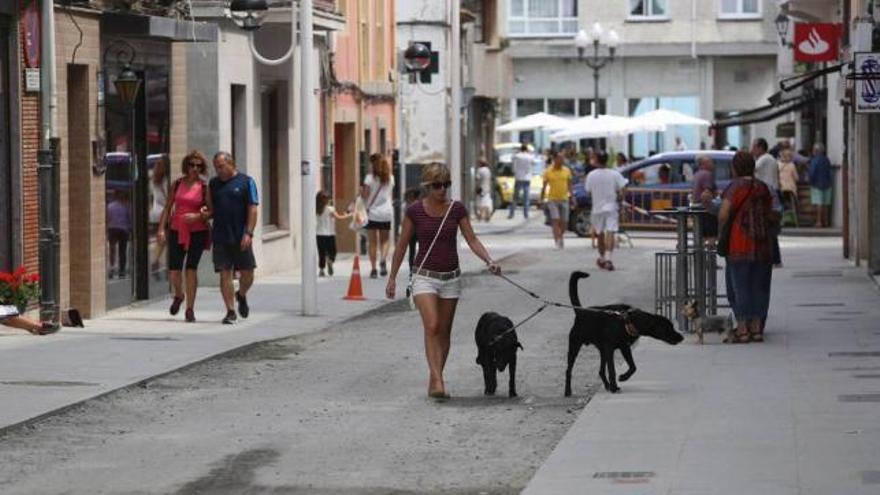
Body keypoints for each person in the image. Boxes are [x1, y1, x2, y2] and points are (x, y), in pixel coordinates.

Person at [385, 163, 501, 400]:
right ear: (427, 187)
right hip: (424, 277)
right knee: (433, 326)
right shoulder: (414, 211)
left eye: (446, 184)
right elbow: (402, 245)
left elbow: (472, 239)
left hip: (450, 278)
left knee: (444, 333)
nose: (442, 190)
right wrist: (392, 278)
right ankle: (438, 380)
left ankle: (434, 377)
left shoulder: (456, 210)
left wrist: (489, 260)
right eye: (437, 185)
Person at [719, 151, 777, 344]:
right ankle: (757, 329)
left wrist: (722, 232)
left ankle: (743, 330)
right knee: (760, 288)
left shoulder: (734, 188)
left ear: (735, 168)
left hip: (738, 245)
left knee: (739, 288)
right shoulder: (763, 188)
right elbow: (773, 212)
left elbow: (724, 212)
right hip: (762, 246)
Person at [157, 151, 212, 323]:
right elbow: (167, 207)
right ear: (186, 166)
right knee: (174, 271)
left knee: (191, 269)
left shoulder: (204, 187)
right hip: (176, 229)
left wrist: (198, 216)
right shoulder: (177, 184)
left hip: (197, 231)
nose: (195, 168)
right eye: (192, 164)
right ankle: (179, 295)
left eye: (198, 165)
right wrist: (161, 229)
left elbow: (211, 211)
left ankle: (190, 309)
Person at [209, 151, 259, 325]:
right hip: (221, 235)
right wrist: (203, 214)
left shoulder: (247, 182)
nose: (219, 171)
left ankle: (242, 294)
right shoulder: (213, 184)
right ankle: (230, 311)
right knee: (225, 273)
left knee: (248, 274)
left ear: (231, 164)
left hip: (241, 235)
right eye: (216, 167)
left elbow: (253, 208)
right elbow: (211, 208)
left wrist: (249, 232)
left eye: (221, 166)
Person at [584, 151, 627, 271]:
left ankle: (602, 257)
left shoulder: (591, 175)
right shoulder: (615, 174)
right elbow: (623, 188)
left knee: (600, 233)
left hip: (597, 207)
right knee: (611, 231)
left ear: (597, 159)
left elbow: (588, 191)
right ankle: (608, 258)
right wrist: (620, 198)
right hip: (611, 206)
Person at [362, 153, 395, 278]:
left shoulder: (369, 178)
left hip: (373, 214)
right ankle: (383, 260)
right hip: (386, 212)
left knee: (372, 243)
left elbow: (365, 196)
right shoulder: (390, 178)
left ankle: (373, 269)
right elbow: (389, 194)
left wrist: (362, 194)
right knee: (385, 240)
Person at [541, 150, 573, 249]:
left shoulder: (567, 170)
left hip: (564, 198)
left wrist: (572, 196)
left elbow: (570, 184)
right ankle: (557, 241)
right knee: (555, 220)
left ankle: (560, 236)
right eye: (559, 158)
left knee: (564, 222)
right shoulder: (548, 171)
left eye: (562, 158)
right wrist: (541, 198)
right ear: (554, 159)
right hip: (552, 199)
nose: (561, 160)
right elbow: (544, 186)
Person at [316, 191, 352, 277]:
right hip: (330, 233)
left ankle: (321, 270)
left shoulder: (317, 209)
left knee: (321, 252)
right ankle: (330, 260)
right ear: (326, 200)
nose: (330, 200)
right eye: (329, 198)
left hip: (319, 234)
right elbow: (339, 217)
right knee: (333, 251)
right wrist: (350, 215)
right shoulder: (330, 209)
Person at [149, 155, 170, 273]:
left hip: (155, 212)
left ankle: (155, 260)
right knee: (168, 239)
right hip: (165, 212)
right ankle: (165, 263)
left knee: (161, 239)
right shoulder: (166, 180)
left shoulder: (154, 178)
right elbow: (168, 198)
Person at [692, 155, 718, 244]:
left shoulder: (697, 174)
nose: (713, 164)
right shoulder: (707, 174)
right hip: (706, 208)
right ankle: (710, 256)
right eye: (710, 162)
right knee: (711, 235)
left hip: (697, 207)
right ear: (703, 164)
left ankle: (700, 256)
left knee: (701, 236)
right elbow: (707, 192)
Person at [107, 190, 131, 279]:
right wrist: (130, 228)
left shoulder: (110, 206)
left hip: (112, 229)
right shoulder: (126, 206)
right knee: (122, 251)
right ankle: (122, 270)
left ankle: (112, 268)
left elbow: (107, 218)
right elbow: (129, 218)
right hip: (123, 230)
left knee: (112, 249)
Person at [808, 143, 833, 228]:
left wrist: (810, 181)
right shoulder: (826, 160)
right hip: (827, 184)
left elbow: (812, 173)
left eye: (814, 150)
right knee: (825, 204)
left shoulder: (814, 160)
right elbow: (830, 172)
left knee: (818, 203)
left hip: (816, 184)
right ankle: (825, 221)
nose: (813, 151)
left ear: (816, 151)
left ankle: (819, 222)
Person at [508, 143, 533, 219]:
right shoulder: (529, 157)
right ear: (527, 149)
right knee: (526, 197)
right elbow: (534, 162)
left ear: (521, 149)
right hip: (527, 178)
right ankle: (526, 214)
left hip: (518, 177)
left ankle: (511, 214)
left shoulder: (517, 156)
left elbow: (512, 162)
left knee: (515, 197)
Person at [778, 148, 800, 226]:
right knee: (794, 203)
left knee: (781, 203)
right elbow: (797, 178)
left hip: (781, 189)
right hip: (791, 190)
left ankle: (781, 220)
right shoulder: (792, 165)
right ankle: (796, 221)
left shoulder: (778, 164)